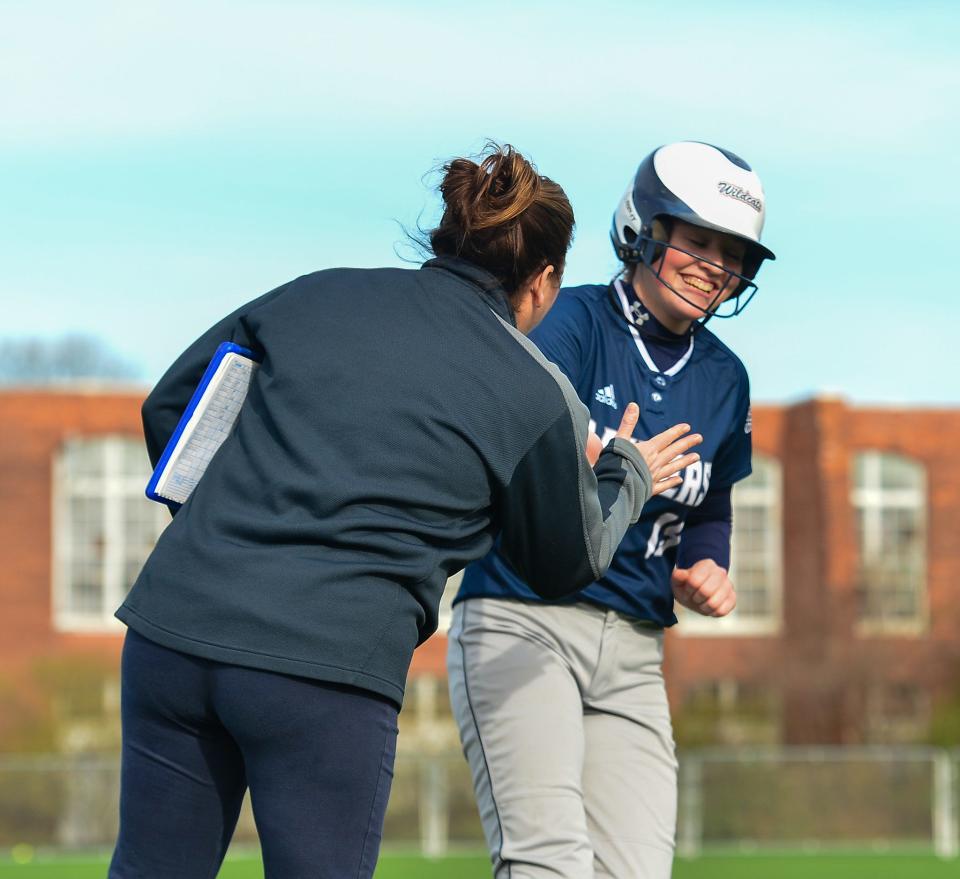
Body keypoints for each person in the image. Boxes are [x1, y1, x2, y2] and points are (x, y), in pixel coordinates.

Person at [107, 143, 701, 879]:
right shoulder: (531, 388)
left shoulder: (312, 295)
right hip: (323, 668)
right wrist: (629, 474)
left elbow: (174, 406)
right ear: (544, 282)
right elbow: (564, 563)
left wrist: (224, 539)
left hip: (174, 628)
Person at [448, 141, 777, 879]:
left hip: (634, 643)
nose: (715, 265)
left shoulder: (725, 377)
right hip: (524, 613)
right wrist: (593, 452)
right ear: (642, 228)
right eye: (696, 239)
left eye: (733, 252)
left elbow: (712, 500)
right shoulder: (572, 319)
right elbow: (516, 432)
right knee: (549, 864)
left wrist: (706, 561)